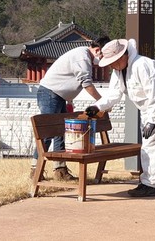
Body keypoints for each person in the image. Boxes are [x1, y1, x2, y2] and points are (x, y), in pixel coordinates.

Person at [85, 39, 155, 197]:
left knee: (151, 144)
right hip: (147, 107)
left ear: (123, 56)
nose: (111, 66)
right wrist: (97, 107)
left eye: (113, 62)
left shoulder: (143, 65)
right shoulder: (119, 70)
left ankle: (148, 184)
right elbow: (114, 93)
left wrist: (152, 121)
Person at [31, 36, 111, 181]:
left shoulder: (81, 54)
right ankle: (35, 170)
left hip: (57, 95)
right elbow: (86, 83)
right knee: (47, 132)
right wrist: (102, 102)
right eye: (104, 55)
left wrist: (69, 99)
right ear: (98, 50)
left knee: (60, 132)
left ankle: (60, 170)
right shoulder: (82, 57)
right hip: (51, 93)